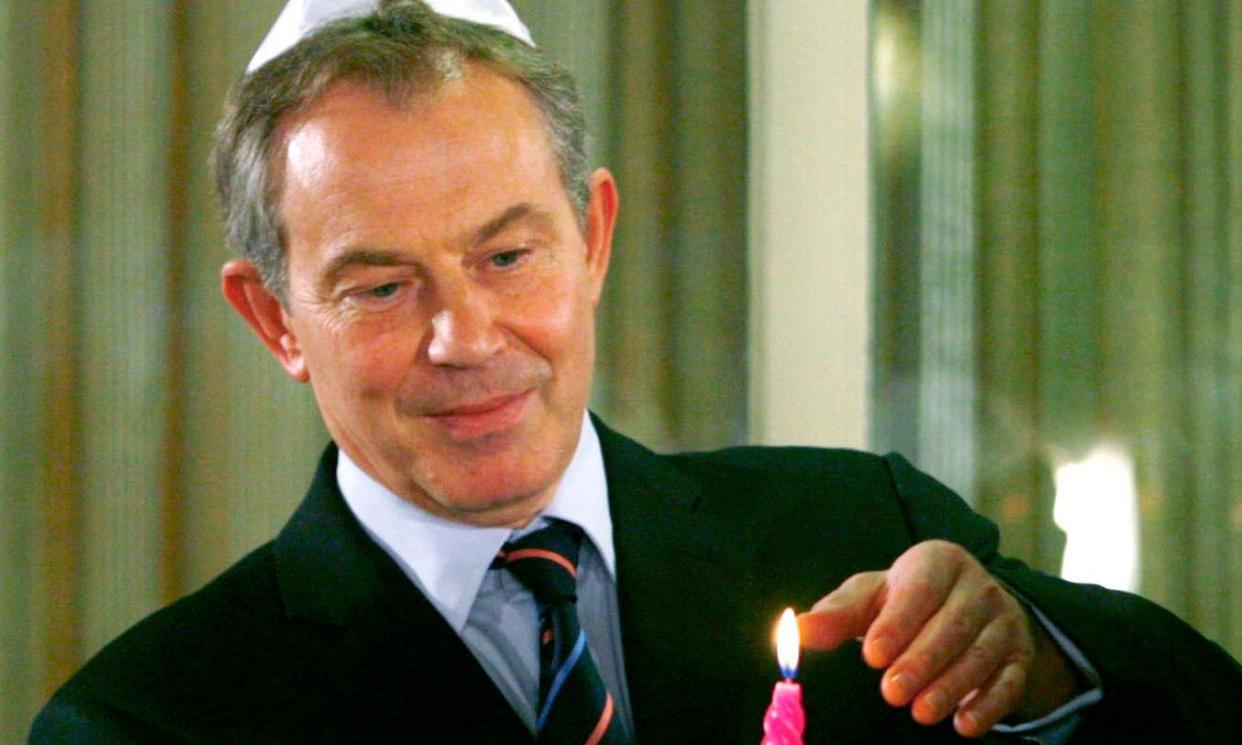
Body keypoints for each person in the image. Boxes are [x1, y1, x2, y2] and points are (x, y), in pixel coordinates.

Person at [30, 1, 1242, 743]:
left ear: (595, 237)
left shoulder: (861, 532)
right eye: (382, 287)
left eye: (509, 254)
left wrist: (1037, 660)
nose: (468, 337)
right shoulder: (152, 721)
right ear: (275, 318)